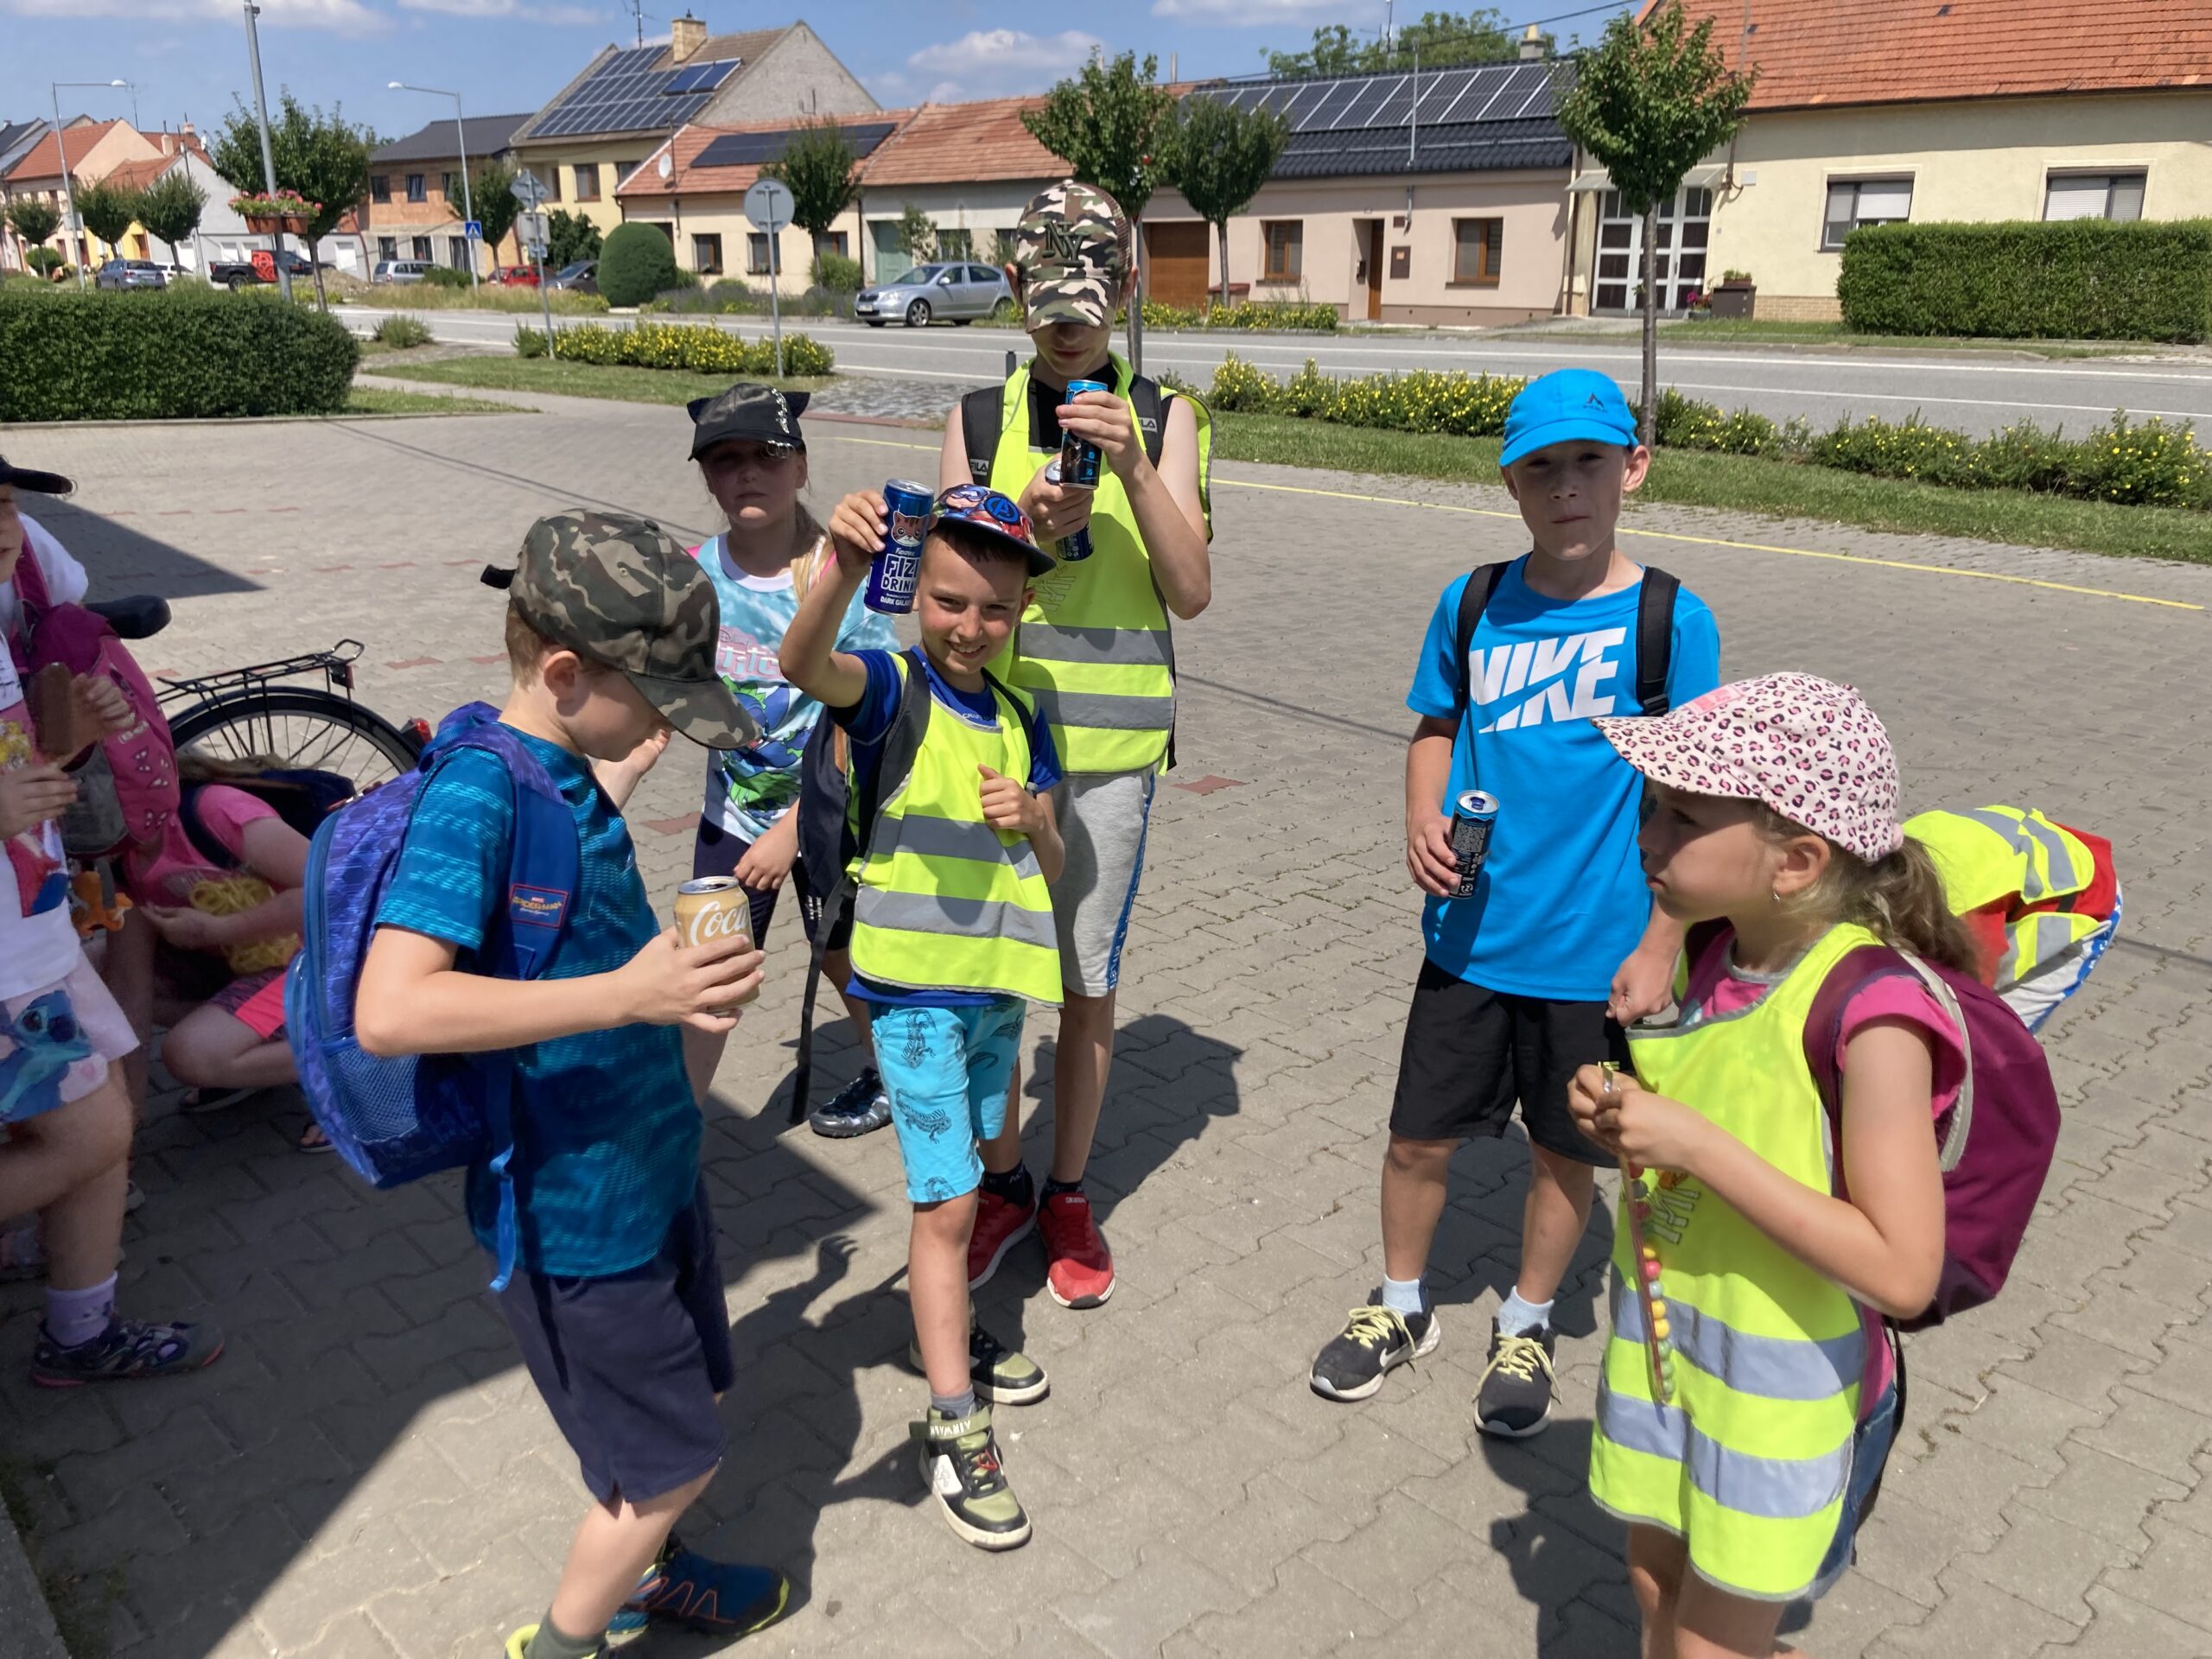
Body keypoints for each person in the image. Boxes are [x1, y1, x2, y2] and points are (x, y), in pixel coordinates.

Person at [351, 510, 790, 1658]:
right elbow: (391, 1009)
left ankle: (651, 1570)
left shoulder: (553, 766)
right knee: (673, 1462)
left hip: (647, 1173)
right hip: (574, 1220)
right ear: (562, 673)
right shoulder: (478, 795)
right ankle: (568, 1640)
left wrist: (620, 770)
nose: (665, 727)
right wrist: (630, 997)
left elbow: (548, 878)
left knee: (683, 1408)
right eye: (655, 701)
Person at [1306, 370, 1721, 1438]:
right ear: (1510, 484)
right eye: (1540, 469)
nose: (1566, 488)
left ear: (1633, 468)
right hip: (1471, 936)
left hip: (1594, 952)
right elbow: (1435, 726)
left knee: (1564, 1153)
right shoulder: (1475, 601)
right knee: (1416, 1139)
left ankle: (1527, 1320)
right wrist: (1419, 812)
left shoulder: (1671, 621)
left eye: (1588, 462)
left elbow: (1698, 803)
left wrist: (1663, 941)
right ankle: (1402, 1305)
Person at [1567, 672, 1956, 1652]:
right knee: (1654, 1586)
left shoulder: (1873, 1014)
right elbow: (1719, 1122)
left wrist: (1692, 1145)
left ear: (1797, 861)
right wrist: (1626, 1125)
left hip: (1777, 1401)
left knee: (1711, 1640)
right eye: (1652, 808)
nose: (1646, 836)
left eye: (1682, 817)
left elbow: (1902, 1272)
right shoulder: (1717, 953)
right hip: (1669, 1357)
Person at [941, 181, 1212, 1310]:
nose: (1068, 330)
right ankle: (1001, 1181)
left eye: (1088, 307)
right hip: (991, 743)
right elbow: (940, 601)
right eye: (1048, 306)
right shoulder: (976, 415)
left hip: (1111, 750)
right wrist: (1024, 526)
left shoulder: (1167, 415)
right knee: (989, 977)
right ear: (1014, 289)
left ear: (1129, 289)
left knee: (1084, 980)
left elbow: (1190, 591)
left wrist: (1134, 469)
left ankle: (1065, 1191)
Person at [780, 483, 1064, 1550]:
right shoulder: (892, 688)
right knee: (944, 1207)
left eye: (993, 609)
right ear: (917, 596)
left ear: (1022, 610)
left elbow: (1056, 861)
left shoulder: (1025, 715)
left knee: (980, 1173)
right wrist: (842, 572)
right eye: (948, 601)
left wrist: (1035, 818)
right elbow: (803, 665)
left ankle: (942, 1328)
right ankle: (953, 1423)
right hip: (911, 997)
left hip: (994, 993)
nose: (969, 627)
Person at [0, 454, 223, 1382]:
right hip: (9, 967)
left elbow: (26, 764)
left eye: (5, 503)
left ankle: (81, 1333)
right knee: (93, 1134)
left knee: (98, 1137)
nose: (5, 528)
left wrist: (76, 738)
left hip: (34, 934)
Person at [683, 384, 899, 1134]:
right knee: (710, 974)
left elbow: (872, 721)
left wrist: (796, 830)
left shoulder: (841, 577)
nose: (748, 472)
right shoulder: (693, 579)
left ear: (802, 467)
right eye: (726, 459)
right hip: (731, 820)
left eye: (769, 455)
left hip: (826, 817)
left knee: (840, 955)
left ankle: (895, 1077)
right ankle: (672, 1137)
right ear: (707, 478)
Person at [128, 755, 316, 1146]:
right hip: (244, 963)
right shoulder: (115, 854)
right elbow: (128, 986)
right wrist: (126, 1121)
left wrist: (220, 929)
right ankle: (251, 1055)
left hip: (320, 958)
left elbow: (328, 886)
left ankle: (357, 1060)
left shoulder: (212, 809)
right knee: (93, 974)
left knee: (192, 1055)